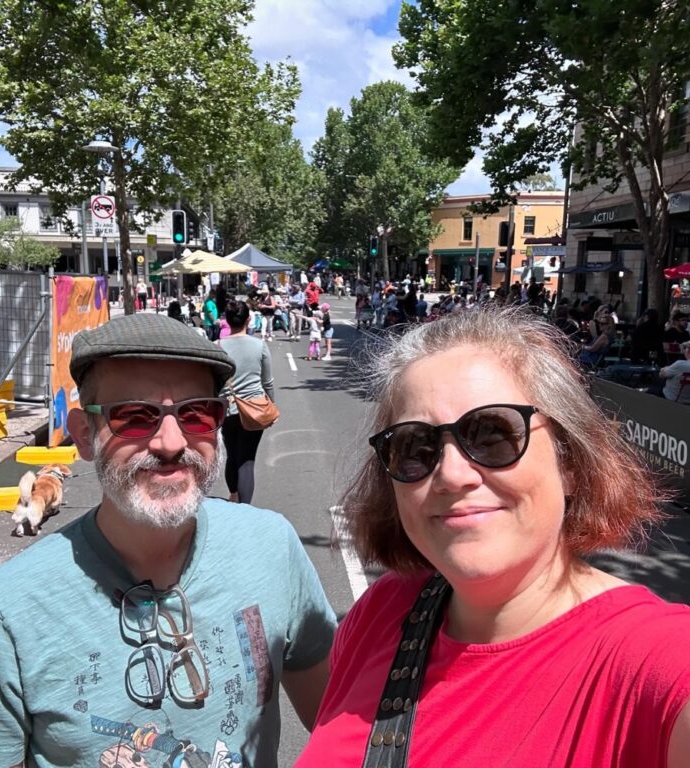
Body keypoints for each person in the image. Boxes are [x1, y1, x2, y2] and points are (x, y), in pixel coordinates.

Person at [0, 313, 336, 768]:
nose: (170, 442)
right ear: (84, 434)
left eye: (196, 413)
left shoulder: (271, 547)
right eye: (135, 417)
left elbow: (339, 725)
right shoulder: (7, 608)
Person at [295, 308, 690, 768]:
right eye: (415, 447)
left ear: (570, 463)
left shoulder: (658, 660)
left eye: (491, 435)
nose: (451, 475)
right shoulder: (381, 611)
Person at [218, 300, 276, 503]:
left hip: (228, 410)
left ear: (226, 320)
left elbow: (213, 382)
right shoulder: (259, 345)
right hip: (255, 409)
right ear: (249, 320)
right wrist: (272, 406)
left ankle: (233, 494)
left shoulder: (218, 347)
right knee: (247, 460)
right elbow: (267, 382)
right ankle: (244, 507)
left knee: (232, 455)